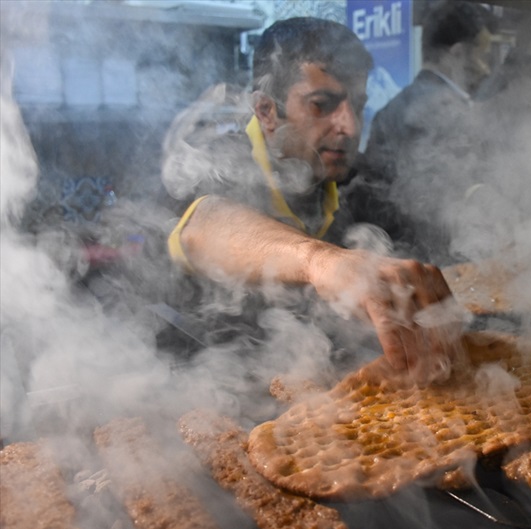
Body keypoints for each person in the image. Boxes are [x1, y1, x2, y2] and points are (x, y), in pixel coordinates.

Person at [162, 17, 462, 385]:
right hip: (212, 394)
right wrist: (320, 260)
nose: (349, 127)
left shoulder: (357, 182)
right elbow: (204, 225)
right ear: (267, 112)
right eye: (322, 105)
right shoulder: (218, 160)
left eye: (359, 105)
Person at [358, 0, 500, 265]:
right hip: (447, 265)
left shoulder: (390, 109)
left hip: (398, 260)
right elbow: (450, 205)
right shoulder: (451, 114)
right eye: (484, 55)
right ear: (457, 53)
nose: (487, 69)